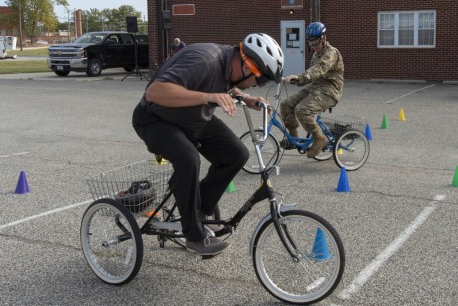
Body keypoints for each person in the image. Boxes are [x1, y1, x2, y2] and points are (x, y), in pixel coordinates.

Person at [132, 33, 283, 256]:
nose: (258, 85)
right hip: (155, 119)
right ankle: (193, 235)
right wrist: (207, 97)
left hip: (191, 118)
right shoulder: (204, 60)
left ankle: (199, 210)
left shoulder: (228, 64)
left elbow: (226, 85)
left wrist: (245, 98)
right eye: (260, 79)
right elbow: (154, 92)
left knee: (236, 154)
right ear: (246, 64)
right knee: (188, 158)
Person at [281, 22, 344, 158]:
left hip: (330, 90)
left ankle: (319, 138)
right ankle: (294, 138)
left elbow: (319, 69)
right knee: (286, 104)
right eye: (310, 43)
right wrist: (293, 79)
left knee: (301, 109)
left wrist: (299, 77)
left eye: (315, 42)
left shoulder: (331, 53)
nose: (313, 46)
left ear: (323, 38)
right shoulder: (316, 54)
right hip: (315, 88)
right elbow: (311, 76)